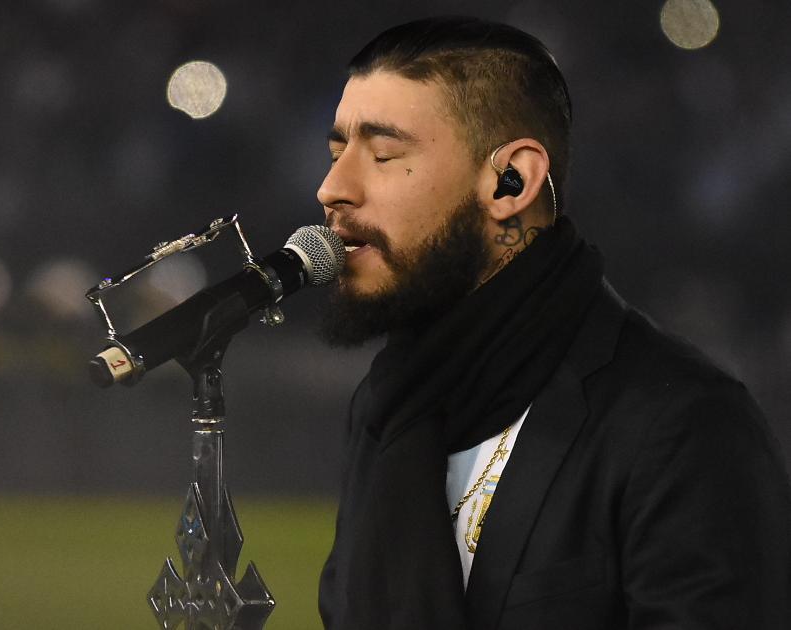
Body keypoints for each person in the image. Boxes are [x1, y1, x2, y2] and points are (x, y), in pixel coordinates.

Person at [315, 16, 791, 630]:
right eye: (336, 153)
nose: (333, 187)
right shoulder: (386, 409)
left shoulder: (683, 425)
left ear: (510, 182)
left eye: (382, 154)